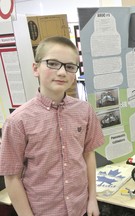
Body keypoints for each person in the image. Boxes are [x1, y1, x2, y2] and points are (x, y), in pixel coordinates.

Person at [0, 36, 104, 216]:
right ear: (36, 68)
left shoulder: (84, 110)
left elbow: (88, 155)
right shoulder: (17, 121)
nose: (62, 72)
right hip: (43, 211)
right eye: (53, 63)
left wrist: (92, 198)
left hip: (80, 208)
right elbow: (11, 176)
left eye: (70, 66)